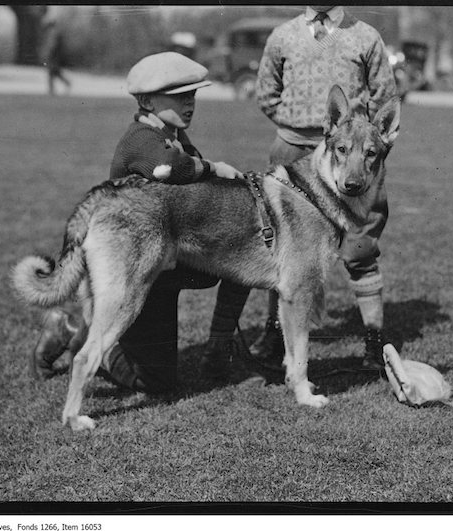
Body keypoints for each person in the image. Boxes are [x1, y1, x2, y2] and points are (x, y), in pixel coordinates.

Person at [31, 52, 251, 393]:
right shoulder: (142, 140)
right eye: (179, 97)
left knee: (244, 257)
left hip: (169, 257)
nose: (189, 104)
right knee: (156, 385)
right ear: (147, 100)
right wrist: (213, 167)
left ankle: (220, 347)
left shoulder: (174, 133)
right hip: (135, 267)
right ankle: (75, 330)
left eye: (192, 95)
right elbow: (172, 169)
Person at [252, 6, 398, 370]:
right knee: (280, 251)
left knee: (360, 248)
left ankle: (373, 341)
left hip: (351, 157)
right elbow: (266, 93)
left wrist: (355, 143)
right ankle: (276, 335)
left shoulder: (365, 35)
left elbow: (385, 98)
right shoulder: (283, 35)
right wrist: (301, 129)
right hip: (292, 150)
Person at [39, 15, 71, 96]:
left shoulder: (53, 32)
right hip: (55, 56)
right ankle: (64, 84)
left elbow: (52, 45)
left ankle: (52, 89)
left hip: (54, 56)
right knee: (54, 72)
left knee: (52, 72)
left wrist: (47, 54)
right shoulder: (54, 31)